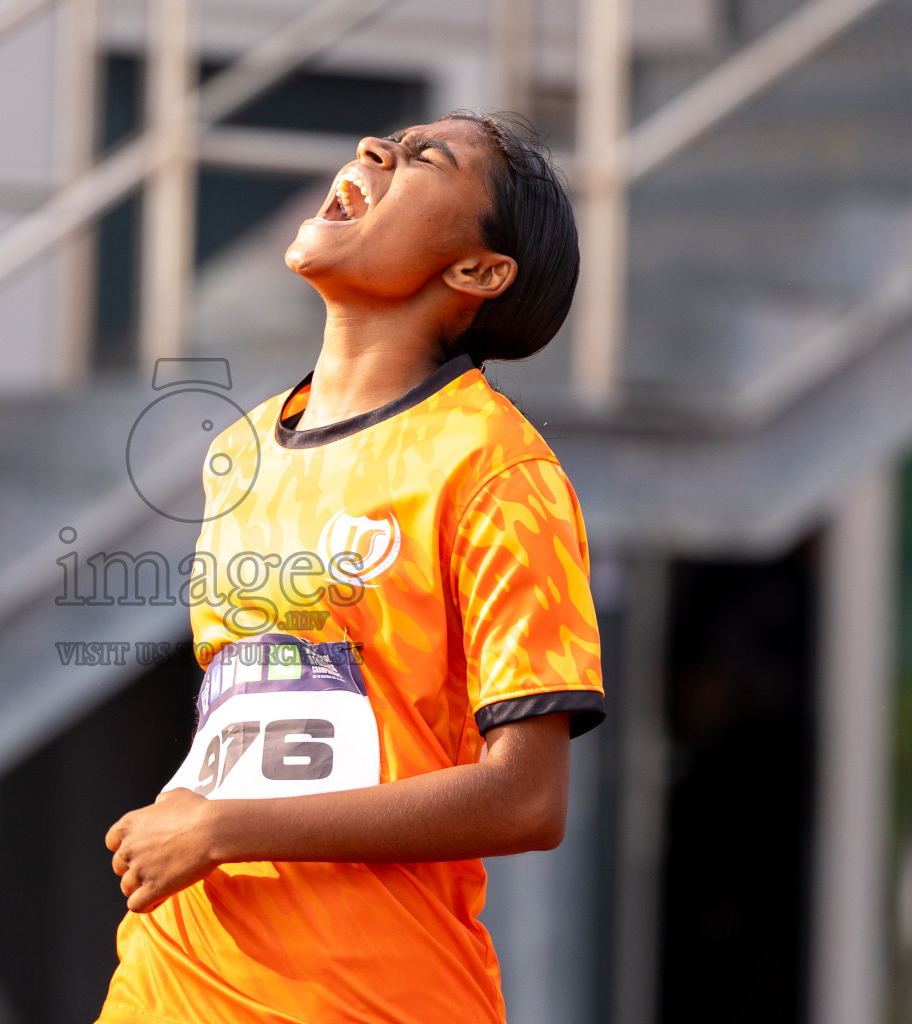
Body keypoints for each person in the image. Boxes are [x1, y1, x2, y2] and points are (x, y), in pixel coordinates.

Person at [97, 111, 605, 1024]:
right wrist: (194, 819)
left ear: (478, 272)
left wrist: (221, 831)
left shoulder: (496, 468)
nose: (375, 151)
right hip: (170, 981)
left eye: (424, 160)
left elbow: (529, 798)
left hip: (369, 996)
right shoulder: (245, 445)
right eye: (386, 142)